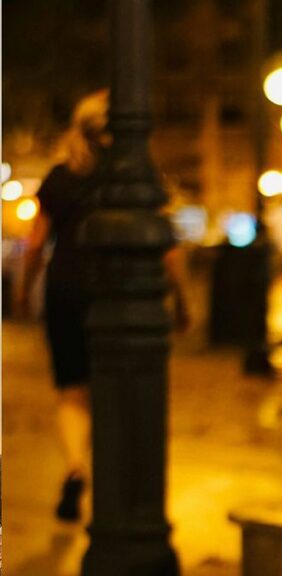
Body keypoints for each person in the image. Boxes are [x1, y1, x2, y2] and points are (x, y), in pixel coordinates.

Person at [14, 90, 191, 522]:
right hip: (119, 289)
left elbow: (36, 244)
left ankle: (76, 467)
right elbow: (166, 245)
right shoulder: (135, 176)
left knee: (71, 389)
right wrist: (181, 298)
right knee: (117, 386)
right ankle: (118, 482)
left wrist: (24, 290)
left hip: (65, 289)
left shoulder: (59, 178)